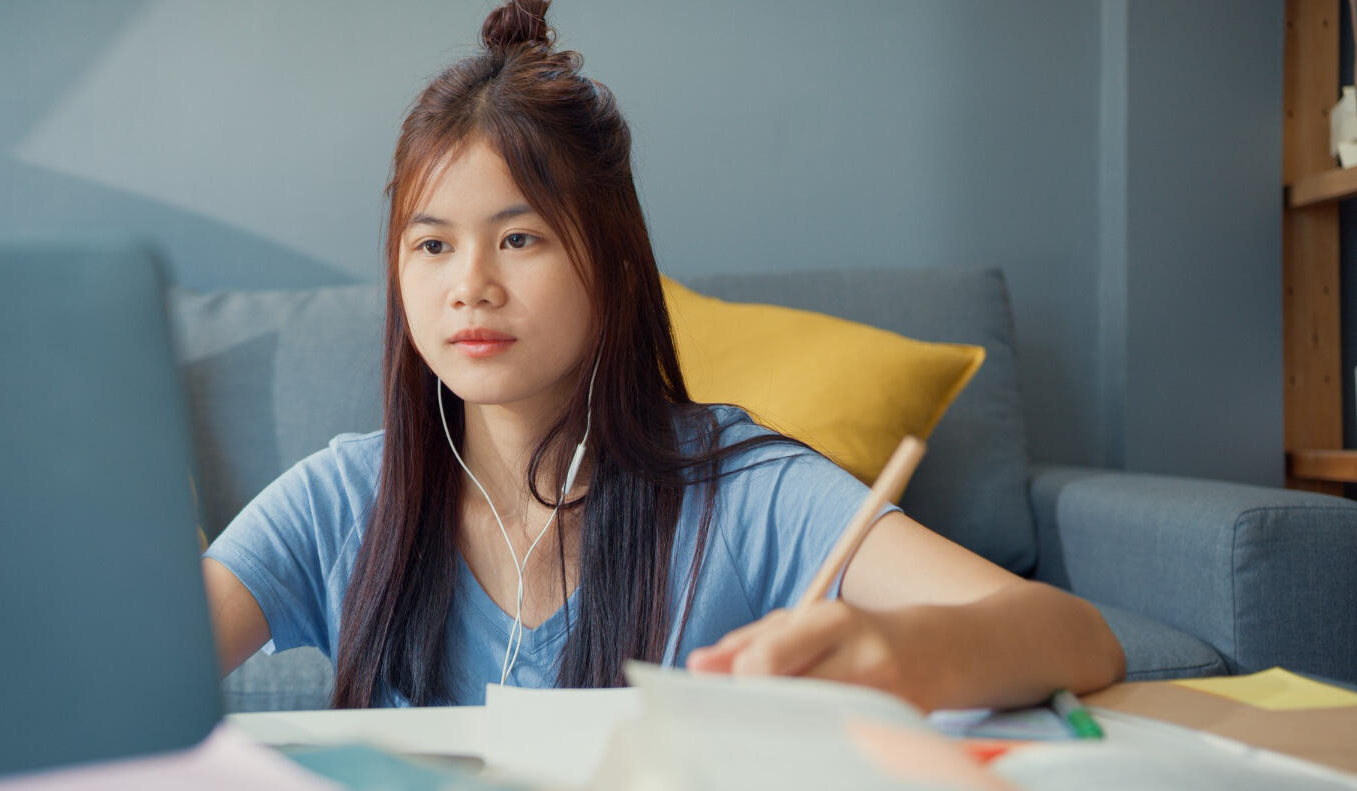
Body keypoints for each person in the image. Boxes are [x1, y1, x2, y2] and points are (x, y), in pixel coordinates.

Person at [201, 0, 1125, 711]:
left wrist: (910, 655)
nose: (468, 285)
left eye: (519, 239)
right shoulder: (341, 500)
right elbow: (126, 676)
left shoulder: (739, 488)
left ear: (614, 263)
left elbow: (1076, 636)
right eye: (432, 244)